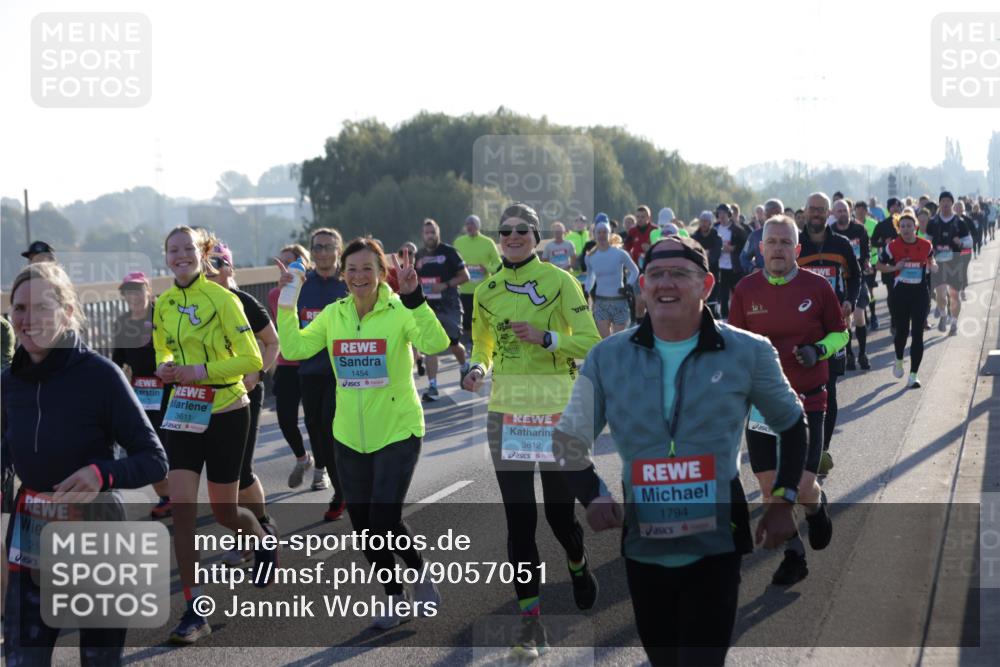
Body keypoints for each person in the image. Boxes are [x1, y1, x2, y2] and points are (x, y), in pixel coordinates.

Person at [552, 236, 808, 667]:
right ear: (642, 285)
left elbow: (791, 422)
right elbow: (568, 439)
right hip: (643, 546)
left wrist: (782, 499)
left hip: (716, 545)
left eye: (679, 273)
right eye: (655, 274)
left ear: (706, 284)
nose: (665, 283)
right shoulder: (606, 357)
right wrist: (592, 493)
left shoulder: (749, 351)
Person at [276, 237, 449, 630]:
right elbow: (294, 347)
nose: (358, 276)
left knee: (385, 519)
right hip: (349, 435)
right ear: (343, 274)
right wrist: (288, 300)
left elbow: (436, 342)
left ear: (381, 272)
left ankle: (419, 573)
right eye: (351, 270)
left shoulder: (399, 310)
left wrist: (416, 298)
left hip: (398, 429)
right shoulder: (335, 314)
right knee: (365, 528)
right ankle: (394, 596)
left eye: (367, 268)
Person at [2, 262, 168, 666]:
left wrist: (102, 473)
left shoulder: (100, 375)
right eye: (19, 308)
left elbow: (155, 460)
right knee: (23, 658)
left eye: (42, 307)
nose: (28, 319)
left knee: (98, 660)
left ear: (67, 311)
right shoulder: (7, 383)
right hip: (32, 531)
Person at [462, 203, 602, 659]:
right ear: (498, 238)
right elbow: (482, 340)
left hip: (555, 414)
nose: (513, 236)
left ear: (536, 237)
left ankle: (577, 564)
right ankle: (531, 621)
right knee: (519, 522)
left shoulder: (561, 282)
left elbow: (592, 342)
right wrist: (477, 366)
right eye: (506, 230)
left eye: (523, 230)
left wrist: (549, 339)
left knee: (561, 519)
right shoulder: (487, 290)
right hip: (507, 415)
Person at [154, 225, 271, 644]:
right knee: (181, 511)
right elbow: (162, 347)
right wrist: (167, 366)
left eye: (188, 248)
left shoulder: (224, 299)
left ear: (202, 255)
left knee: (224, 513)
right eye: (173, 249)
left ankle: (259, 536)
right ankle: (194, 610)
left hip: (226, 410)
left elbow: (251, 357)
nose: (181, 255)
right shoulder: (164, 302)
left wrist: (200, 371)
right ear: (165, 256)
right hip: (184, 411)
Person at [729, 216, 844, 585]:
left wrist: (818, 350)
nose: (777, 249)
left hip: (808, 401)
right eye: (771, 242)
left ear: (797, 250)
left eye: (784, 242)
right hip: (762, 406)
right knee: (769, 489)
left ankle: (815, 510)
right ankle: (795, 555)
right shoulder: (746, 291)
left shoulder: (818, 287)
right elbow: (734, 345)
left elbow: (840, 336)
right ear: (760, 249)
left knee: (804, 487)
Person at [206, 241, 283, 566]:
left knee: (240, 470)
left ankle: (260, 529)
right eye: (206, 264)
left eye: (218, 263)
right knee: (222, 473)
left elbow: (273, 342)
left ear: (230, 269)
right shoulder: (198, 305)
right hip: (209, 398)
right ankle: (249, 535)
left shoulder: (243, 301)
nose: (211, 270)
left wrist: (256, 373)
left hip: (245, 394)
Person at [798, 193, 860, 476]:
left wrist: (850, 299)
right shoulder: (796, 245)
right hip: (802, 327)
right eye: (813, 209)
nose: (817, 214)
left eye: (821, 210)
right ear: (805, 212)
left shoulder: (842, 244)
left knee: (830, 388)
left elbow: (855, 276)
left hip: (834, 328)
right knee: (801, 391)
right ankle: (802, 446)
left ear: (828, 214)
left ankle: (822, 449)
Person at [111, 271, 172, 519]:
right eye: (128, 291)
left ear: (148, 290)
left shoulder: (162, 316)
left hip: (170, 389)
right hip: (142, 395)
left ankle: (178, 494)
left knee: (172, 445)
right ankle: (168, 496)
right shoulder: (123, 322)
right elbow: (118, 361)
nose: (133, 296)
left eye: (137, 290)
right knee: (147, 447)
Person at [297, 228, 349, 507]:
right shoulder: (302, 285)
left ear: (339, 251)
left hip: (342, 371)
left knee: (330, 428)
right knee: (314, 427)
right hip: (309, 369)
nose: (323, 253)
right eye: (317, 248)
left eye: (329, 247)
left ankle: (342, 492)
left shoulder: (350, 283)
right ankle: (338, 481)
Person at [267, 244, 314, 488]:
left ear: (303, 263)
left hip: (314, 362)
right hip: (287, 363)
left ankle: (322, 469)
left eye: (291, 262)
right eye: (281, 263)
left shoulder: (316, 290)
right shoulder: (276, 295)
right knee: (285, 419)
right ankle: (302, 458)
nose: (284, 267)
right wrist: (286, 291)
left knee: (315, 420)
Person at [876, 213, 937, 388]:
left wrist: (933, 266)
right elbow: (879, 266)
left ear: (915, 227)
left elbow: (931, 260)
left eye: (909, 226)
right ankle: (899, 359)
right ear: (898, 228)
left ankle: (913, 375)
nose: (906, 229)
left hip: (920, 293)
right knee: (902, 332)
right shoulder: (892, 246)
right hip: (900, 294)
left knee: (918, 333)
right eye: (902, 226)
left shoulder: (925, 245)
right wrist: (895, 267)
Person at [415, 218, 470, 401]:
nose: (430, 236)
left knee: (454, 344)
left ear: (438, 233)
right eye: (426, 233)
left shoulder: (449, 252)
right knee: (431, 346)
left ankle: (464, 367)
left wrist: (445, 285)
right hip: (428, 307)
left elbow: (465, 276)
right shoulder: (419, 256)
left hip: (449, 304)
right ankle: (432, 387)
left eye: (433, 232)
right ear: (422, 235)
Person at [830, 199, 873, 371]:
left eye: (844, 210)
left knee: (859, 316)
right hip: (840, 280)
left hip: (857, 277)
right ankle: (849, 354)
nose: (842, 213)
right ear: (833, 213)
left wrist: (867, 263)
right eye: (838, 211)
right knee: (845, 320)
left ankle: (862, 353)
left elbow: (866, 251)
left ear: (850, 211)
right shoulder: (830, 232)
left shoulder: (859, 229)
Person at [584, 220, 640, 338]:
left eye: (605, 232)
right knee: (605, 341)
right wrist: (586, 290)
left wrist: (628, 285)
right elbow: (590, 277)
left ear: (609, 234)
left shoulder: (620, 253)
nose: (602, 235)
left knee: (618, 340)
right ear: (594, 235)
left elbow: (635, 270)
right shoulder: (590, 257)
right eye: (599, 232)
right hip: (601, 303)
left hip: (619, 301)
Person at [926, 192, 969, 337]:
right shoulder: (933, 222)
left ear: (952, 203)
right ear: (939, 203)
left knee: (954, 295)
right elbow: (927, 241)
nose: (945, 204)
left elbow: (969, 242)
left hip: (955, 261)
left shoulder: (959, 222)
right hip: (938, 263)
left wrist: (961, 243)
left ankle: (954, 324)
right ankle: (944, 315)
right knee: (940, 296)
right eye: (942, 201)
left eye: (948, 201)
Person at [454, 214, 501, 339]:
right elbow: (452, 263)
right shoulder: (459, 242)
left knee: (484, 317)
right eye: (467, 225)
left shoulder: (487, 242)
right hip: (464, 289)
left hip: (483, 288)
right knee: (467, 319)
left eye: (472, 224)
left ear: (478, 226)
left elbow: (498, 263)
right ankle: (471, 343)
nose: (469, 227)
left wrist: (487, 268)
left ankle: (485, 341)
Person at [871, 197, 904, 333]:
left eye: (898, 206)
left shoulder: (906, 222)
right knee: (892, 294)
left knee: (904, 294)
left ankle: (903, 319)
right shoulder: (882, 225)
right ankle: (894, 321)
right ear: (888, 208)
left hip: (906, 263)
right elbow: (873, 241)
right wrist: (884, 243)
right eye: (893, 206)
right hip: (888, 264)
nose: (895, 209)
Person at [713, 203, 747, 320]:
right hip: (719, 266)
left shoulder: (737, 229)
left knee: (738, 292)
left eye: (724, 214)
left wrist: (734, 249)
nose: (721, 217)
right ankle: (724, 317)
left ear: (729, 215)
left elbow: (745, 246)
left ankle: (740, 315)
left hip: (734, 267)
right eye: (719, 214)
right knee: (722, 295)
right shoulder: (714, 229)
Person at [855, 200, 881, 329]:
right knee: (859, 291)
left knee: (869, 289)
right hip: (856, 263)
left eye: (862, 210)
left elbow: (879, 241)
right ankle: (864, 317)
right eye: (857, 210)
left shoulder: (874, 224)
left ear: (866, 211)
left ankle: (874, 315)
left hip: (872, 261)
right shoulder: (852, 226)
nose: (860, 212)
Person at [740, 198, 784, 274]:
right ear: (764, 215)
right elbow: (743, 257)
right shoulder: (755, 236)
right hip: (762, 280)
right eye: (770, 215)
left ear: (783, 215)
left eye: (777, 215)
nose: (774, 219)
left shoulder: (791, 234)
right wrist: (752, 269)